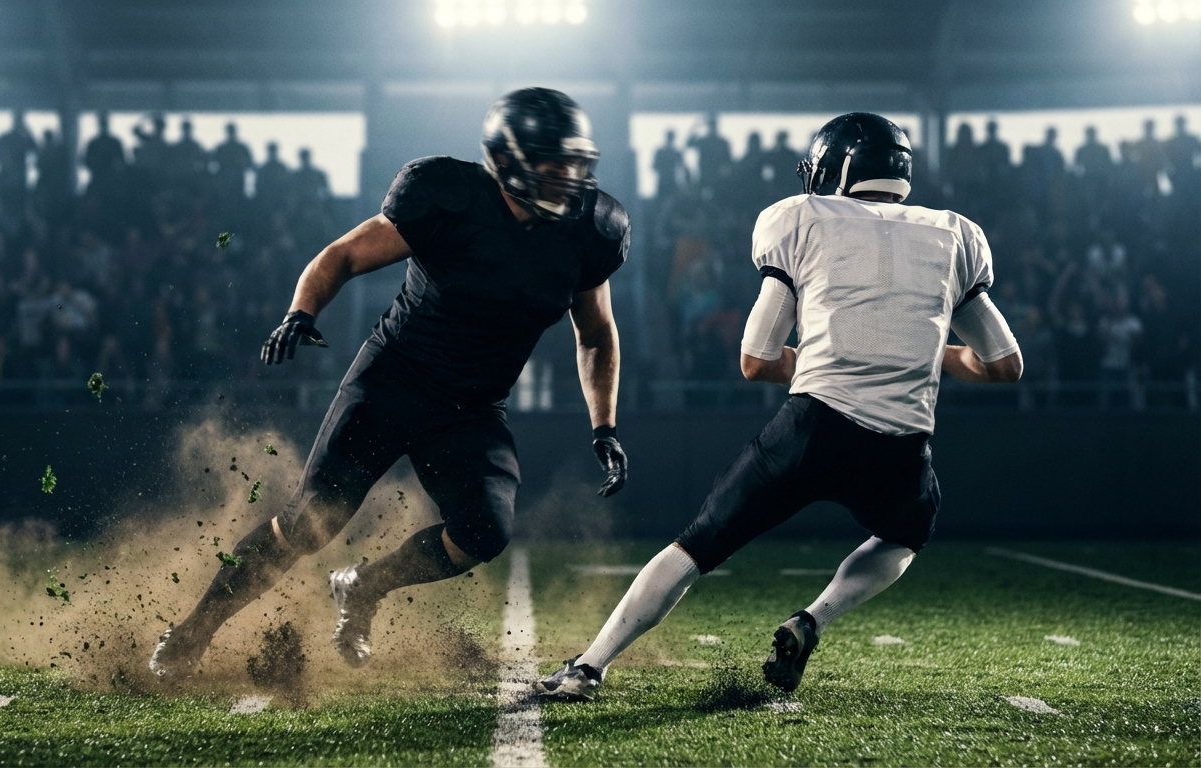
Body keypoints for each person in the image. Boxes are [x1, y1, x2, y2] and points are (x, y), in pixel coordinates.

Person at [536, 113, 1023, 701]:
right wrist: (924, 353)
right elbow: (1003, 366)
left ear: (833, 167)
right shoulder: (955, 234)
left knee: (696, 544)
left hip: (812, 428)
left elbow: (756, 360)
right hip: (900, 445)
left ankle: (589, 667)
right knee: (904, 534)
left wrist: (828, 358)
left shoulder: (799, 219)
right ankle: (812, 619)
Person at [149, 87, 631, 679]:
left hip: (473, 406)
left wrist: (603, 425)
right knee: (308, 524)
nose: (570, 177)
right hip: (394, 379)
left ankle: (365, 587)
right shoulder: (448, 198)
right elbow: (343, 255)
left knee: (485, 530)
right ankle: (191, 632)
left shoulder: (591, 231)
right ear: (508, 161)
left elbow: (596, 334)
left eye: (576, 163)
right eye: (554, 164)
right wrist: (301, 313)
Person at [687, 113, 731, 192]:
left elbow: (728, 162)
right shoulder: (705, 141)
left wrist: (695, 126)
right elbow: (689, 144)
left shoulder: (721, 143)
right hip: (706, 176)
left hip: (716, 177)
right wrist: (695, 126)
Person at [652, 129, 687, 199]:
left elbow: (654, 166)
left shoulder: (661, 152)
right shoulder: (674, 153)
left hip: (669, 181)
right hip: (667, 181)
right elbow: (654, 166)